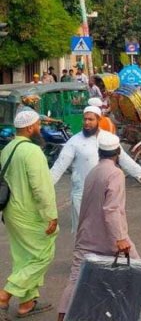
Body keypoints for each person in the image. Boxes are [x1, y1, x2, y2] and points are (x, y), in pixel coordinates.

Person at [56, 134, 141, 321]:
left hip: (86, 235)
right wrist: (120, 238)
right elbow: (112, 209)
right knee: (137, 268)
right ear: (118, 153)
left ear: (99, 152)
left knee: (76, 278)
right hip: (110, 237)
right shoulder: (115, 174)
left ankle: (63, 317)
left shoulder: (94, 172)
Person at [50, 106, 141, 233]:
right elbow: (59, 166)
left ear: (98, 120)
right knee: (84, 233)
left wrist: (140, 172)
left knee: (105, 232)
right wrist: (45, 186)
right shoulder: (74, 141)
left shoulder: (108, 139)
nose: (87, 123)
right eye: (85, 119)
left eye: (90, 119)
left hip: (105, 195)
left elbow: (123, 158)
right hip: (82, 195)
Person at [0, 111, 58, 319]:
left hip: (11, 212)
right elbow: (41, 188)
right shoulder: (32, 152)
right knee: (43, 255)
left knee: (24, 256)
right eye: (38, 125)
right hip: (30, 213)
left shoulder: (7, 149)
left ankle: (27, 303)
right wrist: (51, 215)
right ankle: (5, 294)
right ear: (30, 127)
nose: (40, 128)